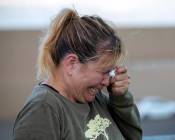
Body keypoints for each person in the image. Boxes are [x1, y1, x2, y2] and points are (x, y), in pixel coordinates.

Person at [13, 8, 142, 140]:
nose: (107, 81)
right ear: (72, 63)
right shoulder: (42, 109)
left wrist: (121, 99)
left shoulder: (96, 98)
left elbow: (135, 136)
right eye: (104, 71)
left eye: (110, 72)